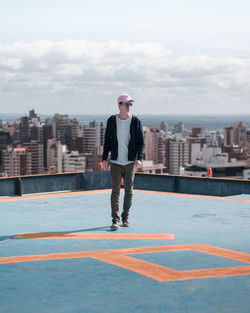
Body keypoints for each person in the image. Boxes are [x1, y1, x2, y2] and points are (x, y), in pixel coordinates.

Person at [102, 94, 145, 230]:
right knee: (115, 191)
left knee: (129, 191)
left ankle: (125, 217)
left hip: (130, 162)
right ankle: (115, 219)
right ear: (119, 105)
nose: (129, 107)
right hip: (115, 162)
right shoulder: (112, 121)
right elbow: (107, 141)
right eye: (126, 104)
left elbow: (141, 143)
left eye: (130, 104)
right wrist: (104, 159)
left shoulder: (136, 121)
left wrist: (139, 158)